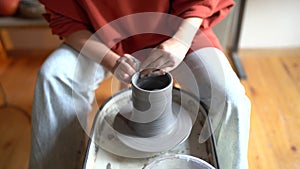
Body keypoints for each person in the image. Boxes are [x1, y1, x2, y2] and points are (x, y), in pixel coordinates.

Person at [29, 0, 251, 169]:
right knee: (54, 76)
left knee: (230, 97)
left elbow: (199, 3)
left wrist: (181, 41)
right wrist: (112, 61)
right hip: (102, 37)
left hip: (178, 30)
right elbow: (66, 20)